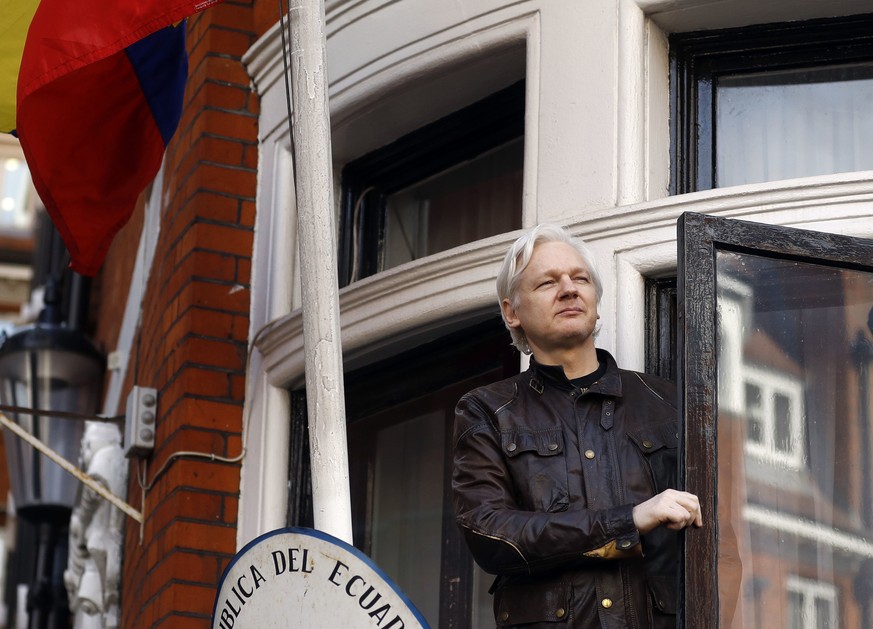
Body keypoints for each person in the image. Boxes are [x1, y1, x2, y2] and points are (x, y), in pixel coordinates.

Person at [452, 223, 702, 628]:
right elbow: (490, 533)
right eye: (547, 282)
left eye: (580, 278)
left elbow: (721, 540)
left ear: (596, 302)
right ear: (511, 312)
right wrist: (627, 520)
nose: (569, 289)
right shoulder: (488, 410)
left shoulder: (669, 403)